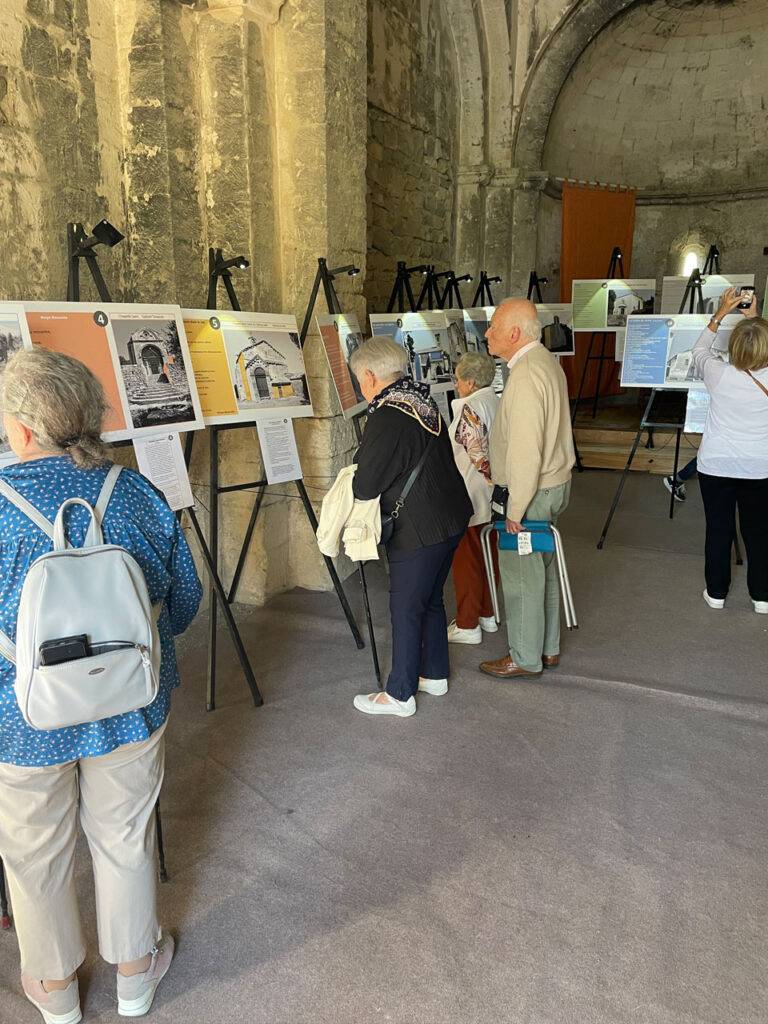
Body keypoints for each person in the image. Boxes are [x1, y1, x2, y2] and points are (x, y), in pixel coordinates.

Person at [0, 349, 202, 1023]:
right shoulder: (138, 492)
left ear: (22, 428)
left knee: (33, 850)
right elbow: (184, 601)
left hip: (22, 717)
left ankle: (55, 988)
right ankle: (136, 976)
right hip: (129, 702)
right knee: (125, 832)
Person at [349, 337, 472, 716]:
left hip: (417, 528)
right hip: (450, 516)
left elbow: (366, 485)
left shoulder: (387, 415)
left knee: (405, 608)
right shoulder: (421, 400)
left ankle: (399, 694)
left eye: (359, 378)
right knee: (430, 599)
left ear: (369, 376)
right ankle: (434, 674)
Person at [479, 299, 575, 678]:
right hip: (552, 485)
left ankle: (523, 656)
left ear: (514, 334)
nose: (487, 333)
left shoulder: (524, 375)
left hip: (529, 495)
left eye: (493, 326)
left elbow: (525, 450)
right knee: (543, 571)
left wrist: (515, 509)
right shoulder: (546, 362)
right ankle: (547, 649)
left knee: (522, 577)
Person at [692, 286, 768, 612]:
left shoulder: (718, 373)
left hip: (716, 466)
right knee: (760, 532)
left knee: (718, 529)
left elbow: (699, 349)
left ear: (734, 346)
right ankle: (762, 596)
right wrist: (755, 319)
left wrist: (722, 312)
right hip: (760, 468)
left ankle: (716, 593)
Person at [445, 351, 500, 644]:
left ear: (470, 382)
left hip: (469, 490)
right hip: (492, 492)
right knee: (488, 554)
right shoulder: (494, 401)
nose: (455, 384)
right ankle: (487, 614)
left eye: (457, 378)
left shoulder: (470, 407)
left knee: (466, 560)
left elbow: (471, 454)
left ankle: (468, 625)